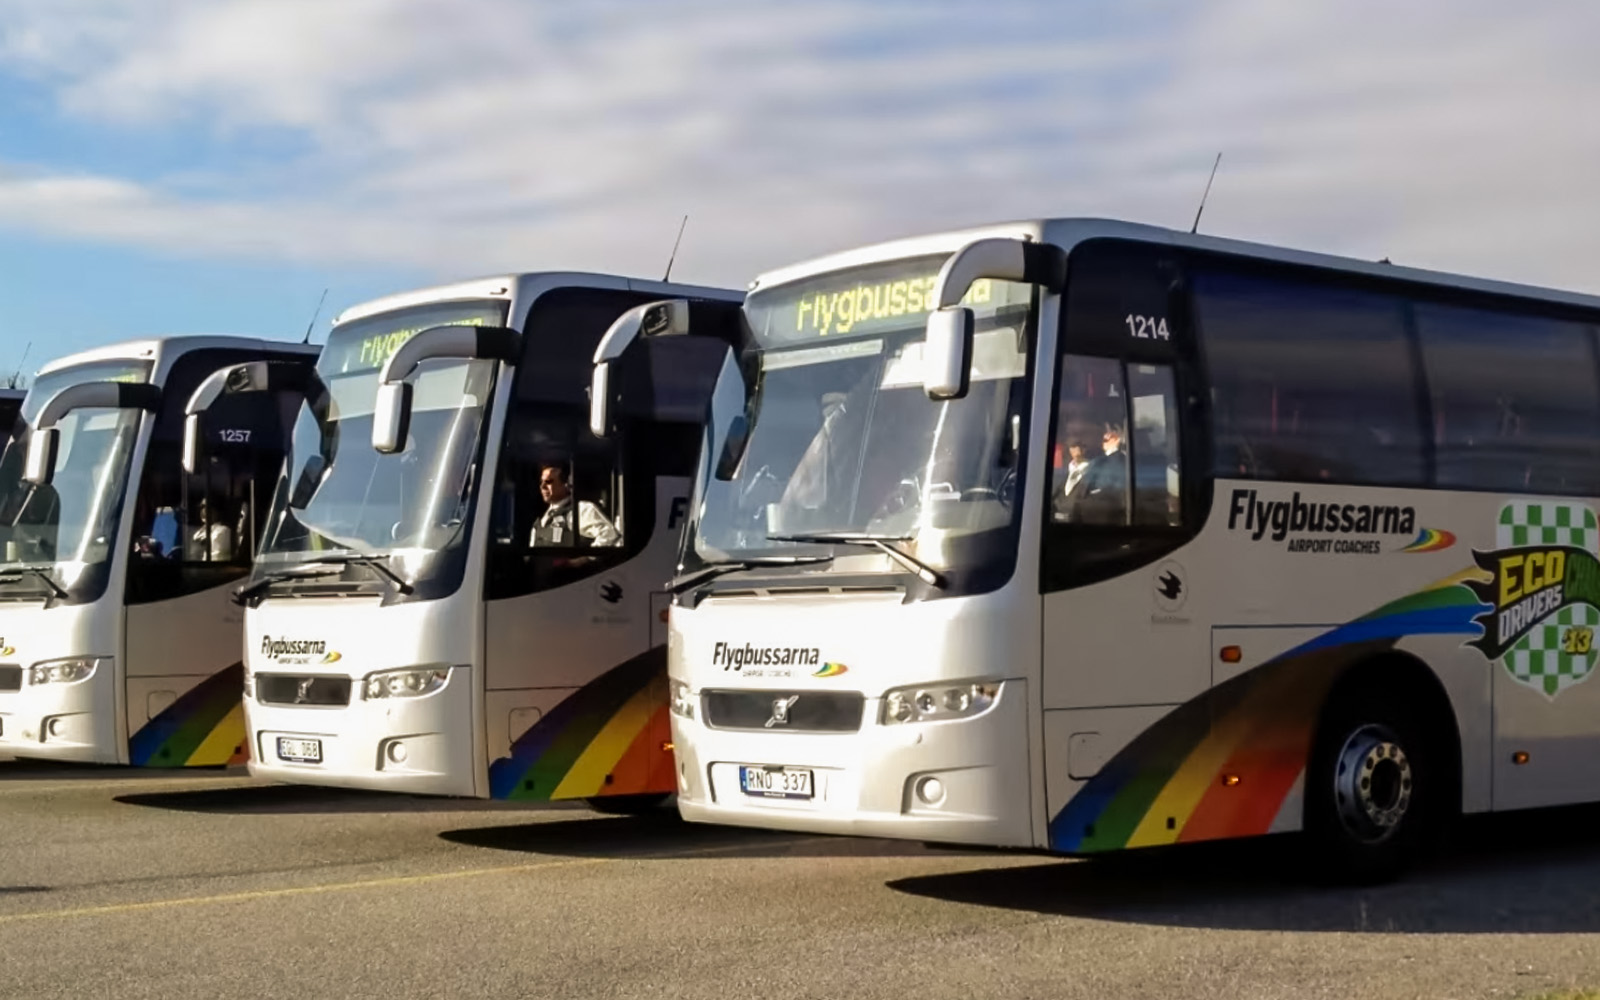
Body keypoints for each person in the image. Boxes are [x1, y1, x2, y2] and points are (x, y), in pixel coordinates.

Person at [530, 462, 620, 547]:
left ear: (565, 484)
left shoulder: (581, 510)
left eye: (548, 481)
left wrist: (585, 559)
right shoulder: (541, 519)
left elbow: (610, 536)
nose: (542, 486)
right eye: (541, 482)